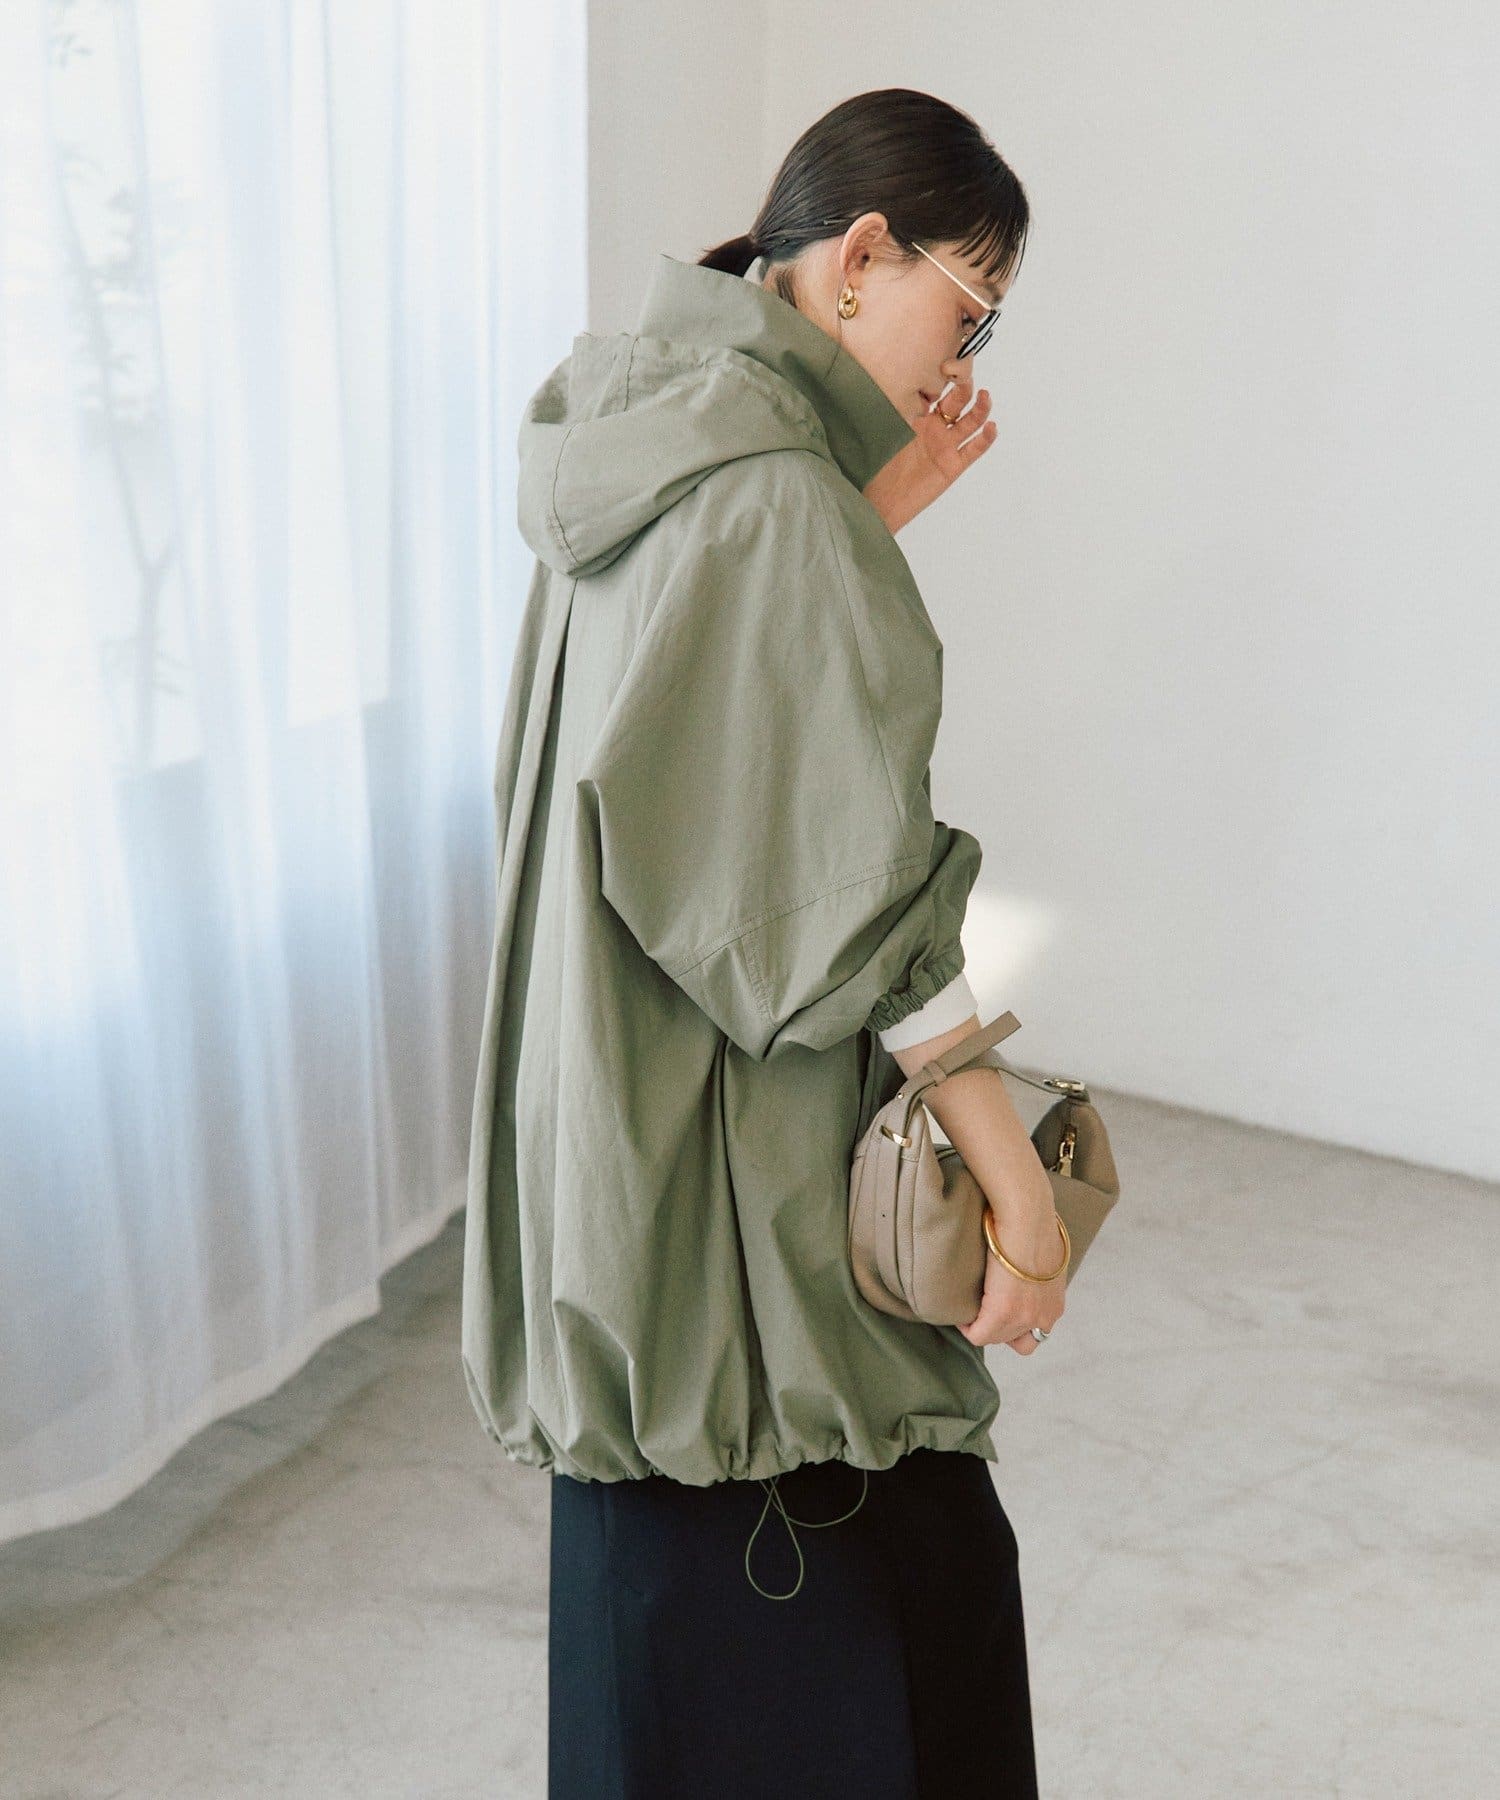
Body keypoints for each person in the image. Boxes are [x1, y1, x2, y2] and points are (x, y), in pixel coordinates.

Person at [462, 85, 1066, 1799]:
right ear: (861, 257)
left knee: (660, 1691)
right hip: (741, 1226)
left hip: (614, 1170)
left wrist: (856, 526)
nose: (963, 355)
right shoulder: (777, 505)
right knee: (898, 1641)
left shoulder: (643, 428)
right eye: (969, 304)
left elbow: (690, 729)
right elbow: (846, 904)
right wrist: (1018, 1195)